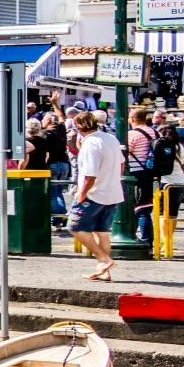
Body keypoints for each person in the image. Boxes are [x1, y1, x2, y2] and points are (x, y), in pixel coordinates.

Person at [69, 108, 125, 281]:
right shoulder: (110, 138)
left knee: (75, 226)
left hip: (95, 193)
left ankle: (104, 259)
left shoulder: (90, 144)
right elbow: (122, 164)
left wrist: (82, 193)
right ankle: (104, 271)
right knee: (102, 232)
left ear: (79, 128)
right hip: (113, 192)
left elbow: (90, 175)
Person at [127, 106, 158, 245]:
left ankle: (145, 239)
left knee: (140, 208)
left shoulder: (133, 134)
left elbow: (125, 153)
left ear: (133, 118)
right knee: (144, 206)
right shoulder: (155, 132)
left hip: (135, 173)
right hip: (150, 173)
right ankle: (141, 237)